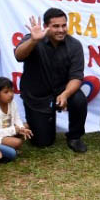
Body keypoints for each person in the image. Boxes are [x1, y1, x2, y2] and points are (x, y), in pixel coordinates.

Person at [14, 9, 88, 153]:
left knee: (79, 99)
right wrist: (33, 41)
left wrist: (66, 94)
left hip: (62, 90)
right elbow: (19, 55)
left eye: (64, 25)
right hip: (37, 95)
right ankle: (31, 124)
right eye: (56, 26)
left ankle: (74, 137)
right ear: (46, 27)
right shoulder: (33, 39)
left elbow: (76, 77)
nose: (61, 30)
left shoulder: (74, 45)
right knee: (43, 142)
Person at [0, 77, 31, 159]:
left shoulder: (12, 103)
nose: (11, 94)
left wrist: (21, 128)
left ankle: (8, 147)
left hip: (8, 131)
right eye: (6, 92)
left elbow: (17, 119)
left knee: (26, 126)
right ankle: (1, 148)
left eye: (12, 91)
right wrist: (13, 130)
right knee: (17, 142)